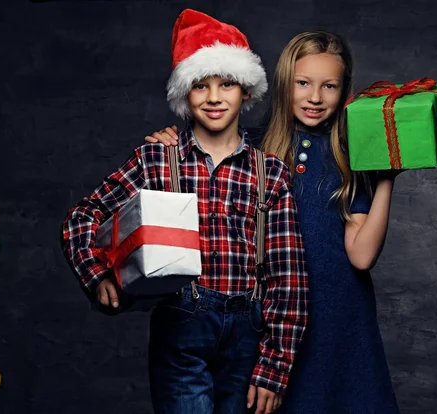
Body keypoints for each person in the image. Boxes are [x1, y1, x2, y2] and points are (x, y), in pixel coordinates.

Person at [61, 9, 308, 414]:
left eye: (227, 83)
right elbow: (82, 218)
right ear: (183, 95)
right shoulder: (158, 158)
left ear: (246, 91)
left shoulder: (271, 173)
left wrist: (274, 368)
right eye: (200, 85)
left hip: (249, 332)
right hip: (181, 326)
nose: (214, 97)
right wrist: (98, 274)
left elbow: (288, 277)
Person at [145, 30, 401, 413]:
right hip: (270, 319)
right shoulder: (251, 149)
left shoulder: (350, 159)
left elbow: (361, 257)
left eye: (329, 86)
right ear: (284, 84)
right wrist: (170, 145)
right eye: (303, 83)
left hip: (339, 318)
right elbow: (202, 161)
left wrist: (386, 179)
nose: (315, 97)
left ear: (344, 91)